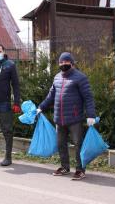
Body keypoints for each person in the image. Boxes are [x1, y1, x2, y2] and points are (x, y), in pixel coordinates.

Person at [37, 52, 96, 180]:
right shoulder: (57, 77)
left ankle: (80, 170)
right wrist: (41, 107)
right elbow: (51, 96)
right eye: (61, 62)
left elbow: (88, 98)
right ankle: (65, 167)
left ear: (72, 63)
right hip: (59, 118)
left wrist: (91, 115)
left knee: (78, 144)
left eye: (66, 62)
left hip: (75, 118)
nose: (63, 64)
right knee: (60, 144)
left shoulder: (80, 78)